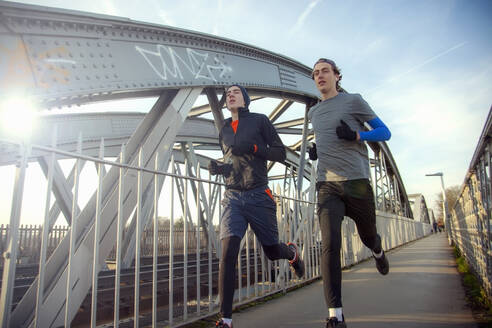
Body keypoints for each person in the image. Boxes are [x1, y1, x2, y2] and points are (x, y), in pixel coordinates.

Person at [209, 84, 305, 328]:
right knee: (229, 252)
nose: (230, 95)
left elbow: (280, 153)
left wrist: (253, 148)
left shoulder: (260, 121)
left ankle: (292, 254)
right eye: (227, 93)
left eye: (235, 91)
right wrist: (221, 169)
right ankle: (226, 320)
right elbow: (232, 164)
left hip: (258, 194)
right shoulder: (223, 130)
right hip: (232, 197)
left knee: (272, 251)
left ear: (246, 99)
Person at [307, 58, 391, 328]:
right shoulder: (314, 113)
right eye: (316, 73)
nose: (320, 76)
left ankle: (377, 250)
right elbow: (325, 141)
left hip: (356, 183)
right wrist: (316, 151)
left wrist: (356, 136)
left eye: (325, 71)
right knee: (330, 245)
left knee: (368, 236)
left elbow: (385, 132)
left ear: (337, 76)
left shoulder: (354, 101)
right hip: (327, 185)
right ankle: (336, 315)